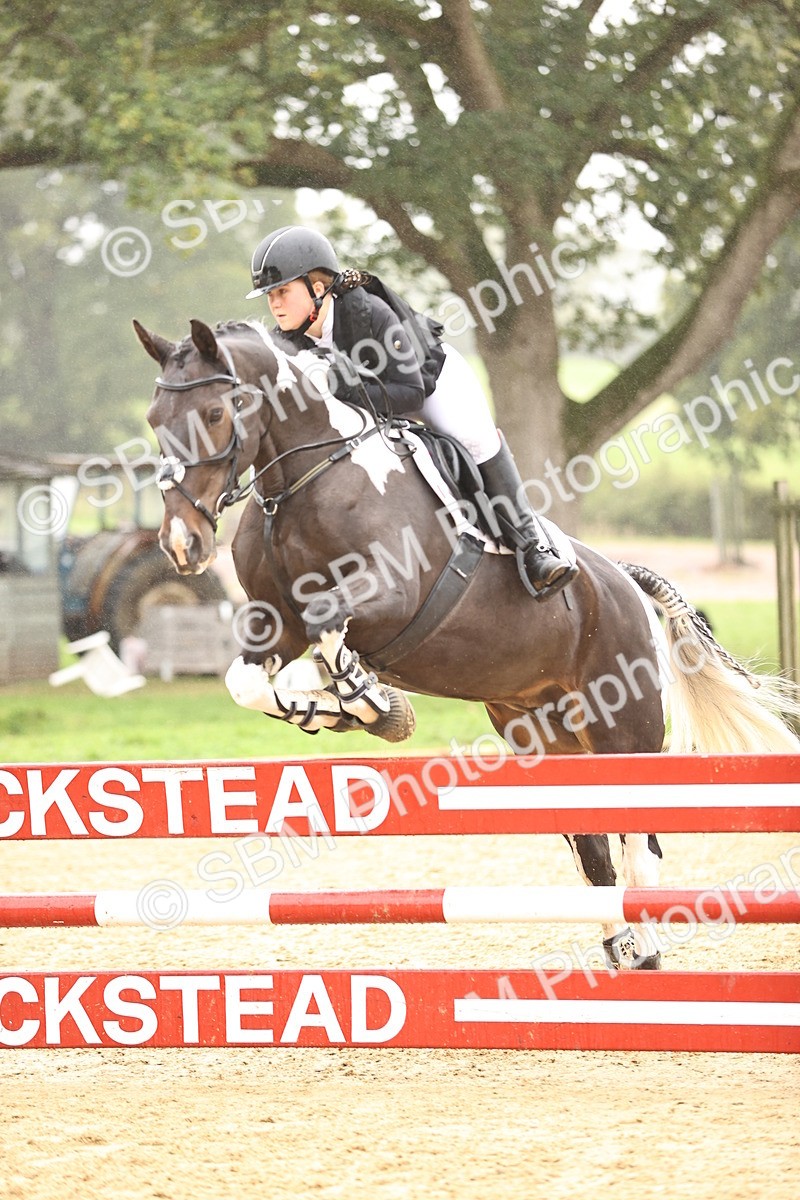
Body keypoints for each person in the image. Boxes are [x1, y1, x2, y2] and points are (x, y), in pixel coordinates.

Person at [246, 225, 578, 600]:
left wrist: (337, 386)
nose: (274, 304)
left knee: (473, 439)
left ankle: (534, 548)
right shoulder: (286, 341)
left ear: (317, 288)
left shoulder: (367, 313)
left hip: (432, 384)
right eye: (270, 295)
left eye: (282, 291)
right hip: (375, 401)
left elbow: (410, 392)